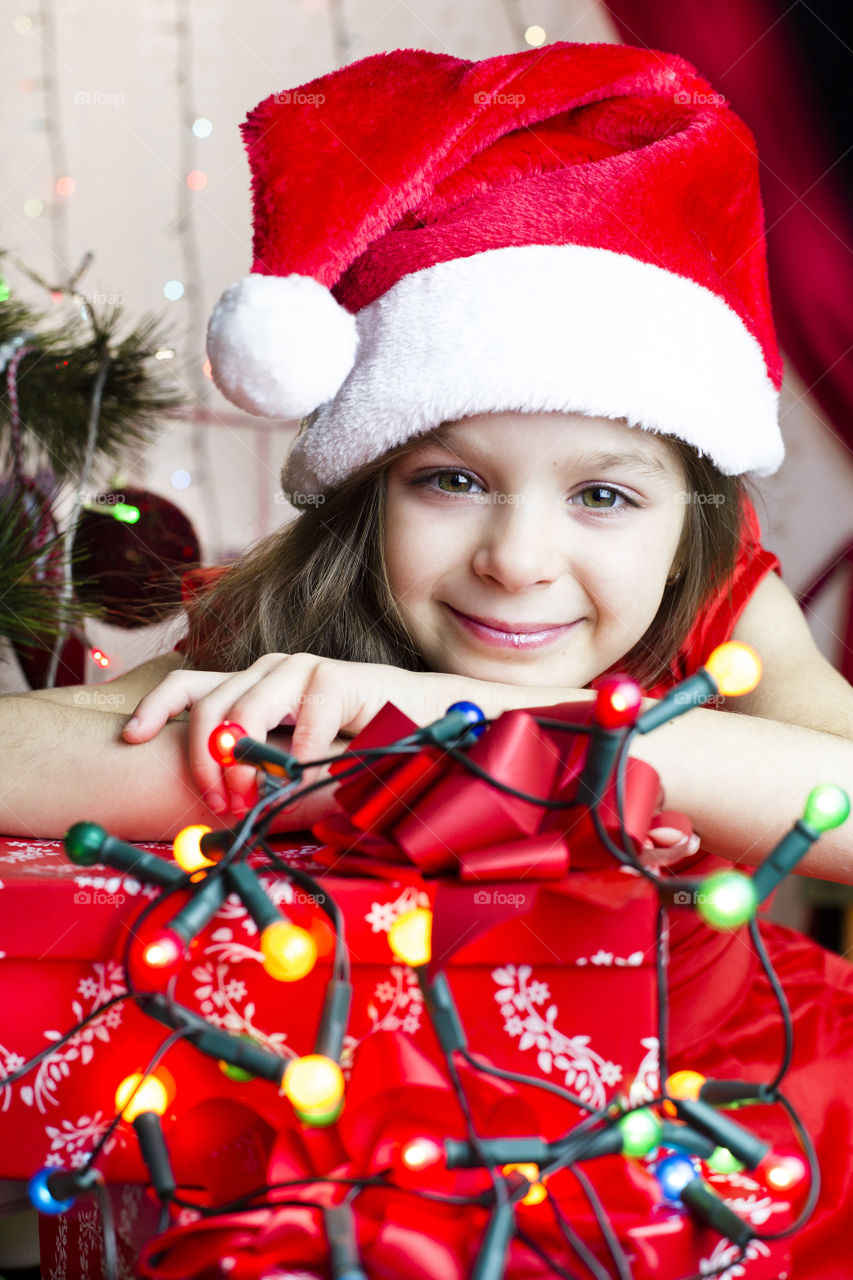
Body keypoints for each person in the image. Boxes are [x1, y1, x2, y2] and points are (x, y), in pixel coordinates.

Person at [3, 40, 853, 1276]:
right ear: (367, 488)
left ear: (693, 519)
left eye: (603, 495)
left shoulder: (716, 605)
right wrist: (297, 750)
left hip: (705, 1144)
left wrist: (455, 725)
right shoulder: (311, 611)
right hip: (346, 1163)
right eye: (450, 479)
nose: (517, 558)